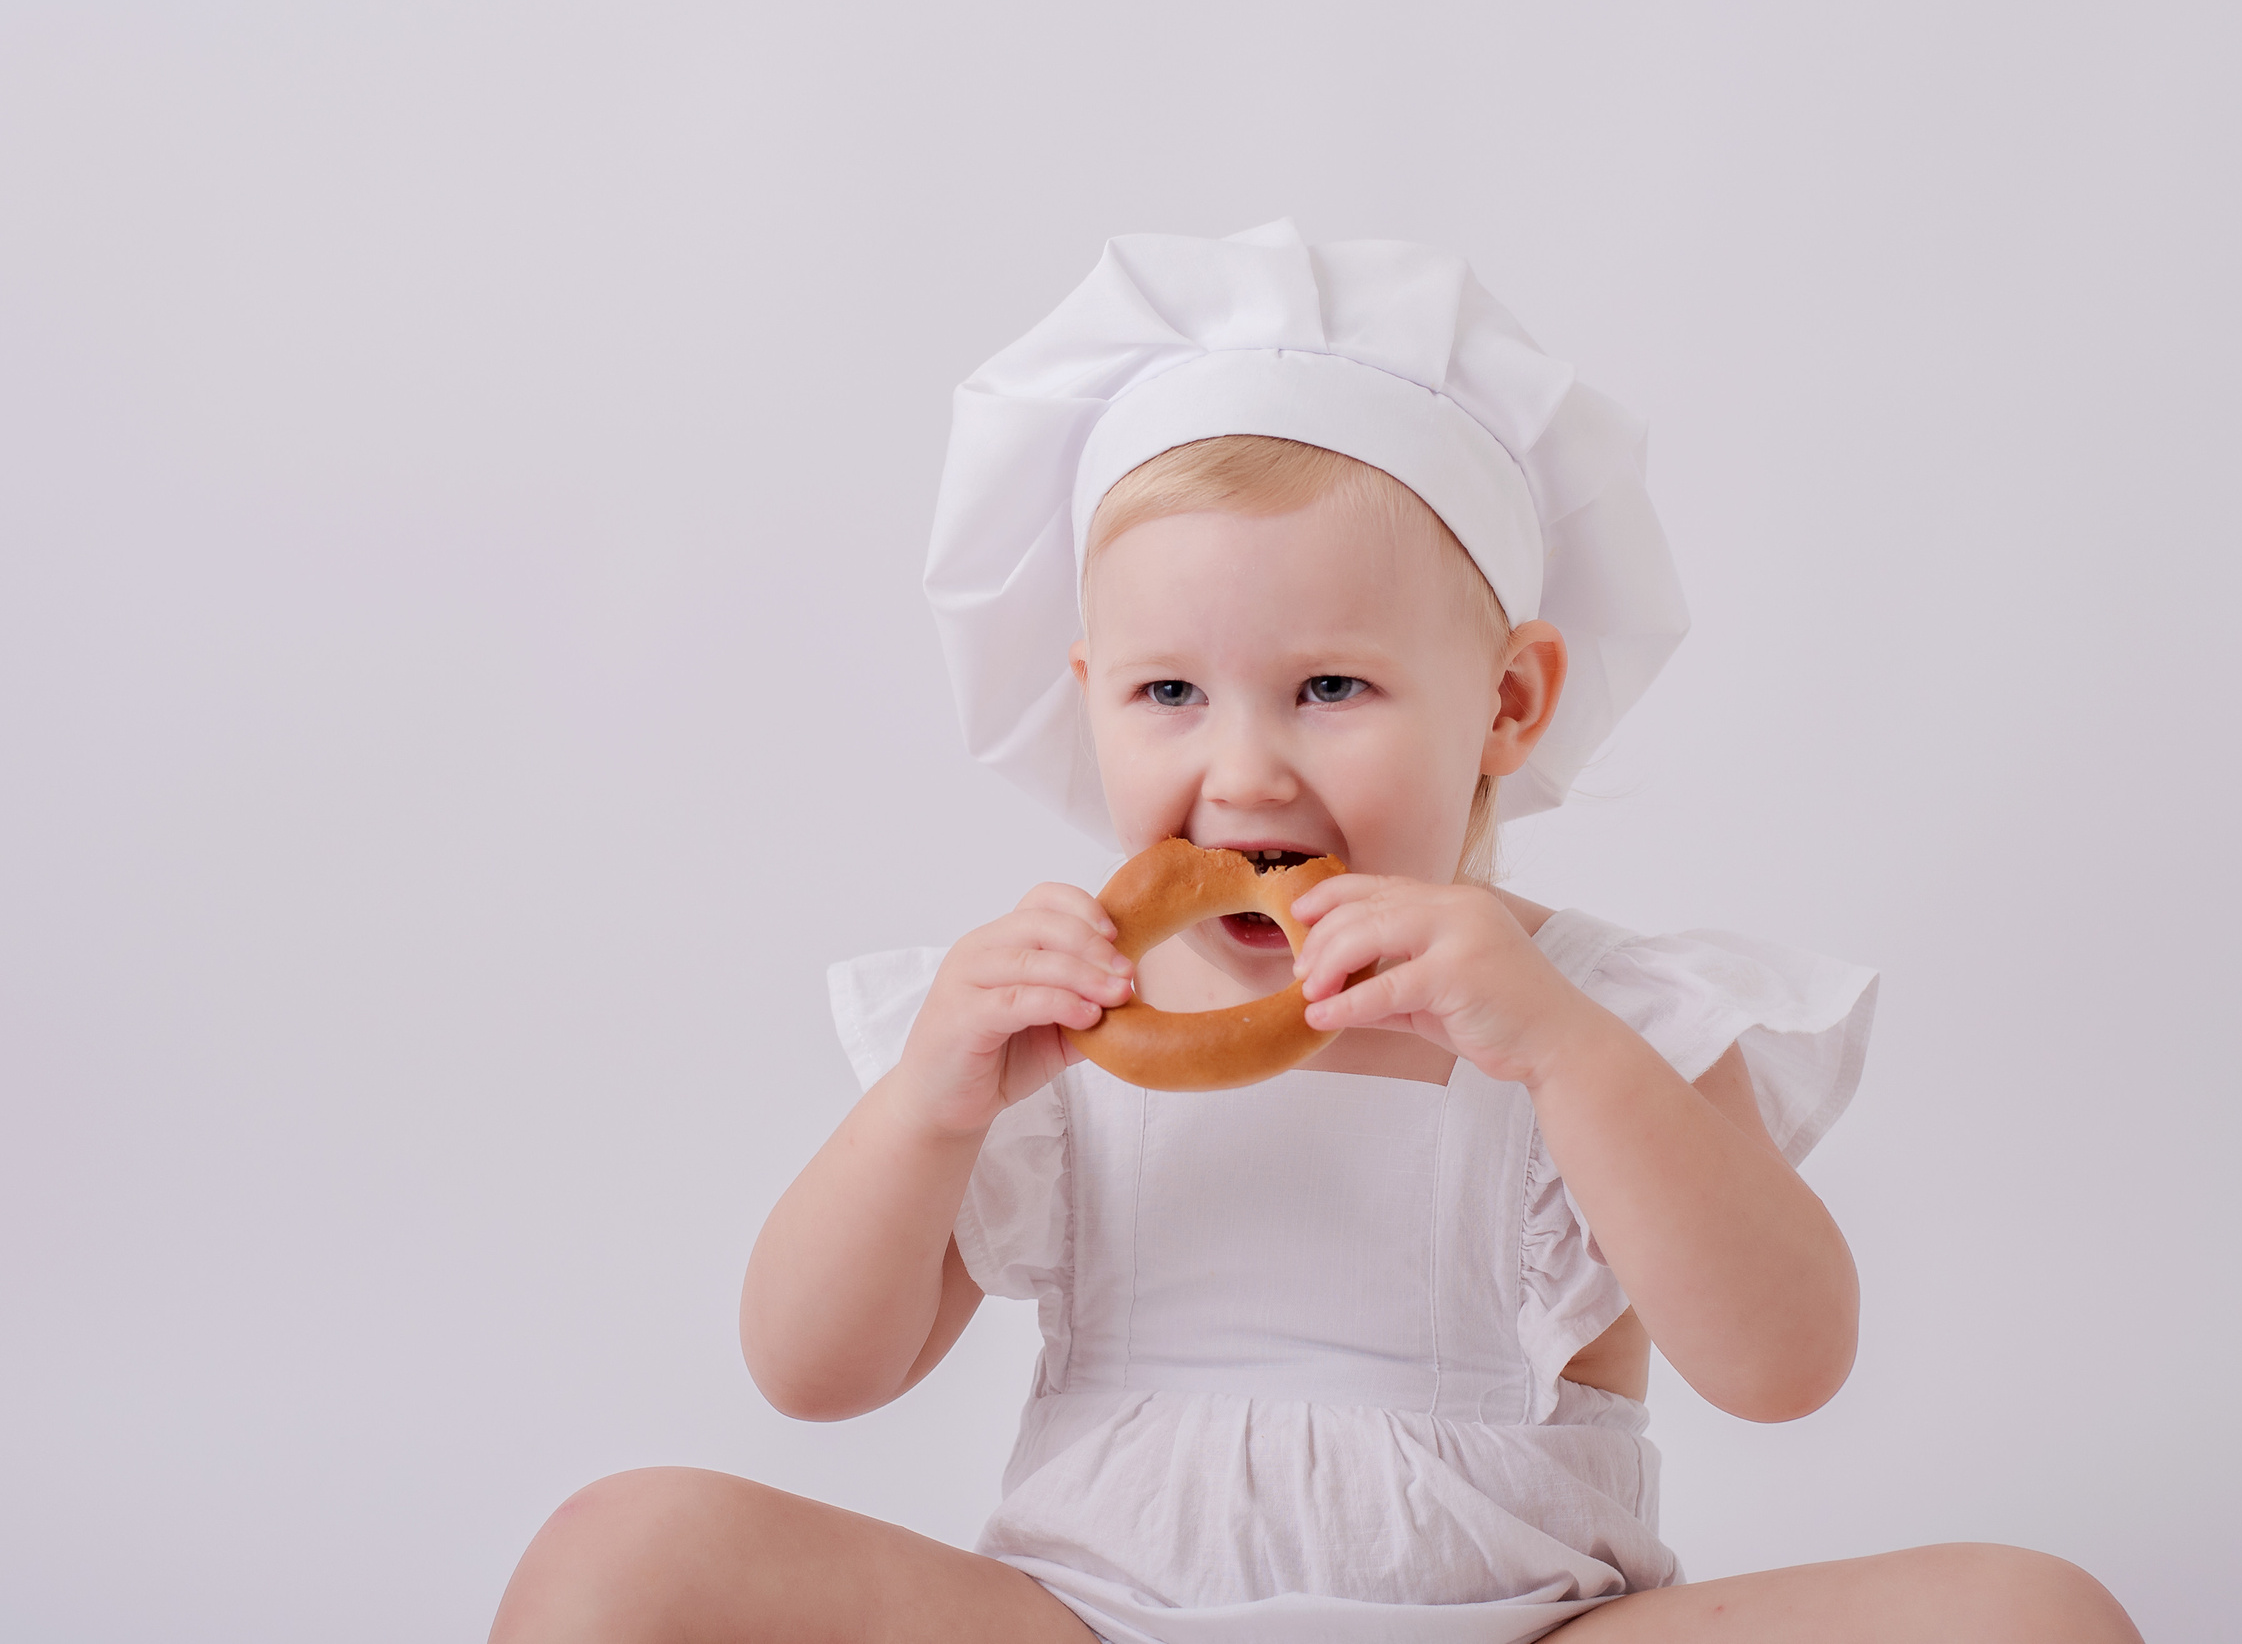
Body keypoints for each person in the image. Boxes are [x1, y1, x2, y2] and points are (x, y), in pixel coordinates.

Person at [490, 223, 2144, 1643]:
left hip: (1528, 1623)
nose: (1243, 768)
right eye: (1169, 692)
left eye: (1330, 686)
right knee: (625, 1547)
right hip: (1097, 1618)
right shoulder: (1059, 1024)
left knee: (2030, 1613)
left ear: (1507, 702)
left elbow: (1787, 1361)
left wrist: (1568, 1055)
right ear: (1089, 697)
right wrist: (928, 1100)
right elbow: (810, 1370)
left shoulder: (1597, 1015)